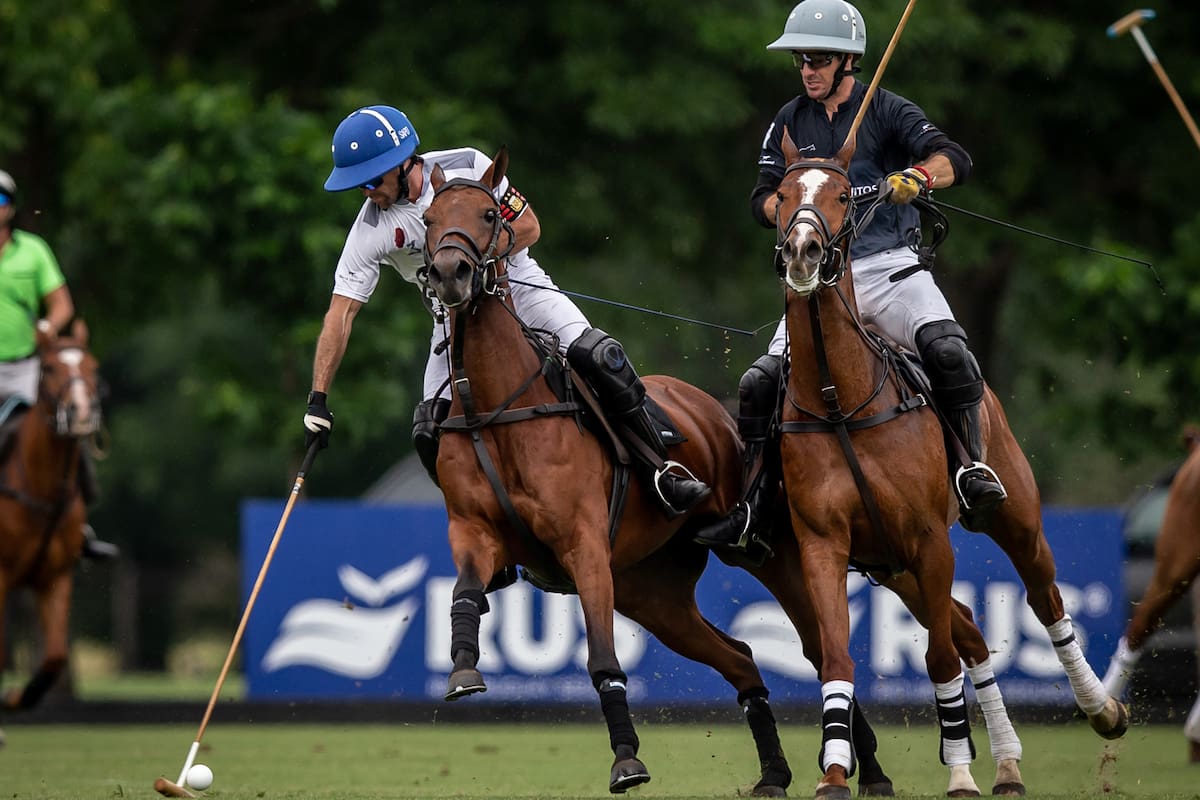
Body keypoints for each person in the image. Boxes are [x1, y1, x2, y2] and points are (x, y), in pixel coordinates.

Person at [694, 0, 1006, 551]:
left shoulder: (886, 109)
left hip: (889, 268)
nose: (806, 70)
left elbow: (954, 158)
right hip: (818, 278)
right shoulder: (789, 119)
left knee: (948, 350)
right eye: (800, 60)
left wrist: (917, 176)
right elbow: (761, 197)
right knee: (759, 383)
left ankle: (970, 469)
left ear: (847, 61)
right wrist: (796, 209)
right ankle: (756, 508)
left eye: (816, 59)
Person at [302, 105, 710, 518]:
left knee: (601, 358)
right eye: (358, 185)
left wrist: (477, 263)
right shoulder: (369, 229)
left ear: (401, 163)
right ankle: (480, 524)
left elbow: (530, 226)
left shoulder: (469, 165)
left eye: (371, 180)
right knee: (429, 428)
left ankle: (663, 469)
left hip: (518, 285)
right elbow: (341, 313)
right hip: (452, 318)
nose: (366, 191)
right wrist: (318, 399)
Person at [0, 169, 117, 560]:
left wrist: (48, 326)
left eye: (1, 200)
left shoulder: (32, 250)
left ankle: (78, 524)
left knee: (68, 426)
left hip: (26, 368)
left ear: (11, 208)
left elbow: (62, 303)